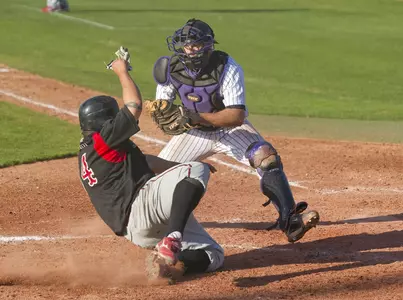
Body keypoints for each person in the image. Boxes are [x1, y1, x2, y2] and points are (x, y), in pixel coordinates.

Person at [152, 18, 320, 243]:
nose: (189, 51)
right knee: (155, 176)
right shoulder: (170, 68)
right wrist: (162, 112)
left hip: (229, 131)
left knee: (265, 157)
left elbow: (235, 116)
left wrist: (194, 116)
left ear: (208, 46)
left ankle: (290, 221)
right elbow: (163, 107)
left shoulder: (227, 67)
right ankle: (144, 222)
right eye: (186, 46)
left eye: (195, 46)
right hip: (194, 134)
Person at [78, 56, 224, 280]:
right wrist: (122, 71)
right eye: (113, 117)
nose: (117, 119)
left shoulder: (90, 152)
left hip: (137, 233)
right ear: (102, 121)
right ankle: (173, 236)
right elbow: (134, 106)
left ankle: (167, 265)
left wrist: (180, 168)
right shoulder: (103, 139)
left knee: (213, 255)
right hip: (144, 208)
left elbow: (145, 162)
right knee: (196, 170)